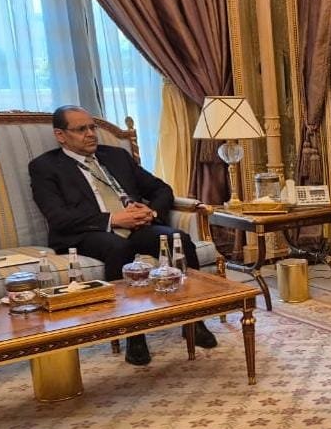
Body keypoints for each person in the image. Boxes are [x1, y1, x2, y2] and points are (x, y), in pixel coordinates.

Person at [30, 105, 217, 366]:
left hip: (137, 226)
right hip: (88, 233)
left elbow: (162, 189)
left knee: (178, 239)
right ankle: (134, 334)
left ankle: (194, 321)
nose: (90, 134)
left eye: (92, 127)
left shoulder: (116, 156)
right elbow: (58, 217)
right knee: (118, 248)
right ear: (61, 135)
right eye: (81, 129)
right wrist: (113, 219)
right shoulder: (45, 167)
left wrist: (151, 212)